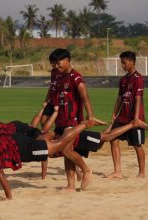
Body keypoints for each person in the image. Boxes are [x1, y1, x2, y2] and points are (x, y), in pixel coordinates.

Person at [0, 118, 147, 199]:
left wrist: (9, 198)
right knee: (61, 146)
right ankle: (80, 135)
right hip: (19, 143)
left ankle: (84, 124)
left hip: (23, 148)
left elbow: (1, 175)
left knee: (62, 145)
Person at [0, 106, 54, 179]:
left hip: (17, 128)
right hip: (14, 132)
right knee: (34, 128)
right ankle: (43, 110)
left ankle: (43, 175)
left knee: (41, 141)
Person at [50, 48, 94, 190]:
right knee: (64, 151)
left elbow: (85, 97)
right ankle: (70, 185)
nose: (57, 66)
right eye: (55, 63)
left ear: (67, 60)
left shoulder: (76, 77)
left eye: (59, 62)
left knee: (67, 150)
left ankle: (86, 169)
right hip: (61, 120)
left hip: (73, 120)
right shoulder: (57, 75)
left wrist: (90, 115)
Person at [106, 51, 146, 179]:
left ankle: (142, 172)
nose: (122, 65)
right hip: (122, 117)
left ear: (132, 62)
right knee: (113, 139)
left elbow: (138, 98)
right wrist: (114, 114)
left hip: (134, 118)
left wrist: (135, 118)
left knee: (137, 145)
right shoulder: (123, 80)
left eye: (124, 63)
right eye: (121, 63)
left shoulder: (138, 79)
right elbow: (119, 98)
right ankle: (117, 171)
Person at [40, 51, 61, 127]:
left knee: (60, 125)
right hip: (51, 101)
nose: (51, 64)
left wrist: (58, 104)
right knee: (43, 121)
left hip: (60, 103)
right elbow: (51, 86)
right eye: (50, 62)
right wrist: (46, 100)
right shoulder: (54, 71)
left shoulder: (64, 72)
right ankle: (47, 137)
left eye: (53, 62)